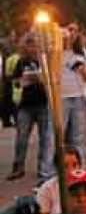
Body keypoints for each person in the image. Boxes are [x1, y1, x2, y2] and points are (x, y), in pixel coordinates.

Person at [6, 35, 54, 183]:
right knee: (22, 137)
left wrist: (43, 79)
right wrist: (23, 81)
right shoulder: (22, 62)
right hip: (26, 105)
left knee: (45, 137)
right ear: (25, 47)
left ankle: (43, 167)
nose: (33, 48)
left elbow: (54, 79)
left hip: (43, 103)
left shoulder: (46, 61)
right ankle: (18, 167)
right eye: (30, 45)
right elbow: (15, 81)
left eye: (35, 45)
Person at [62, 22, 86, 164]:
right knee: (57, 135)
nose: (72, 33)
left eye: (75, 30)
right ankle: (55, 169)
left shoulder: (81, 52)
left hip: (79, 96)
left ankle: (80, 166)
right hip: (61, 98)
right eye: (69, 29)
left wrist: (85, 74)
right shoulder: (55, 51)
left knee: (78, 136)